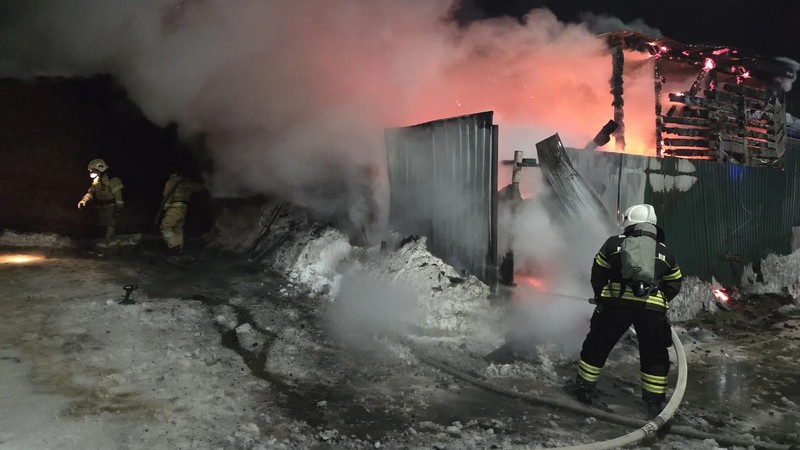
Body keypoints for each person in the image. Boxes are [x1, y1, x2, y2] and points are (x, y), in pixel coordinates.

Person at [573, 204, 683, 418]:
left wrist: (601, 296)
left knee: (597, 345)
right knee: (654, 354)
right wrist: (659, 302)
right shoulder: (665, 253)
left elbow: (598, 272)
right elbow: (675, 283)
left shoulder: (614, 244)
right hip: (652, 311)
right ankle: (654, 404)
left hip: (616, 306)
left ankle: (584, 390)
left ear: (628, 223)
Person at [77, 159, 124, 242]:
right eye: (91, 171)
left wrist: (119, 208)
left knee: (111, 225)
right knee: (105, 225)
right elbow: (91, 192)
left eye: (93, 171)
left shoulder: (112, 181)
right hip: (102, 207)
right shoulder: (96, 182)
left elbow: (118, 196)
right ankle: (112, 241)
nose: (91, 173)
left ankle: (109, 243)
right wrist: (84, 200)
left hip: (111, 207)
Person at [159, 172, 203, 254]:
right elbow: (199, 188)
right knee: (178, 228)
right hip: (184, 208)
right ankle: (180, 249)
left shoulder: (171, 182)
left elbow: (167, 196)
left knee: (165, 226)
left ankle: (174, 246)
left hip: (174, 207)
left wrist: (165, 207)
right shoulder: (187, 182)